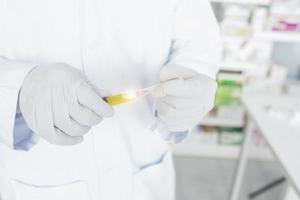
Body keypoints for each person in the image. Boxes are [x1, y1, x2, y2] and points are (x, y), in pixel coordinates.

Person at [0, 0, 221, 199]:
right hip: (36, 174)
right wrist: (18, 85)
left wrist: (192, 74)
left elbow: (197, 38)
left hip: (142, 171)